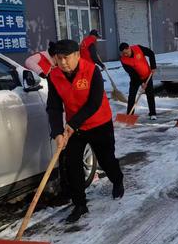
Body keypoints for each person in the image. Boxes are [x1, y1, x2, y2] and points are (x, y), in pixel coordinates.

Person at [47, 39, 124, 223]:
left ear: (77, 55)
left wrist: (72, 124)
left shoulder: (91, 71)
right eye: (59, 58)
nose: (63, 62)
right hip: (75, 129)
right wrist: (57, 132)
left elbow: (94, 103)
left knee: (106, 161)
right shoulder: (54, 76)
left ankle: (117, 179)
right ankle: (80, 204)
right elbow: (54, 107)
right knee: (72, 166)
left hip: (99, 123)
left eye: (66, 58)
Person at [119, 42, 157, 120]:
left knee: (150, 94)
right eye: (123, 53)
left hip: (147, 75)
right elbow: (132, 73)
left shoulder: (138, 48)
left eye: (126, 53)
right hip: (135, 79)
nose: (125, 55)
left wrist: (153, 66)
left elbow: (151, 53)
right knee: (132, 96)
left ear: (129, 48)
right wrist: (141, 83)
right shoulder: (124, 60)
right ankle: (130, 116)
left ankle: (152, 113)